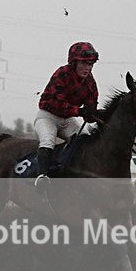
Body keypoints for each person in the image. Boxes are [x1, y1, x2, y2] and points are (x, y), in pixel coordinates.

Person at [33, 41, 100, 185]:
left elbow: (91, 105)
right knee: (48, 140)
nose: (88, 68)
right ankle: (42, 176)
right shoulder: (62, 74)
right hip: (48, 116)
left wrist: (92, 113)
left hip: (68, 120)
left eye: (90, 64)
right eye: (84, 63)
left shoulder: (90, 82)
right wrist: (79, 111)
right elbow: (57, 104)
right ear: (74, 62)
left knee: (85, 139)